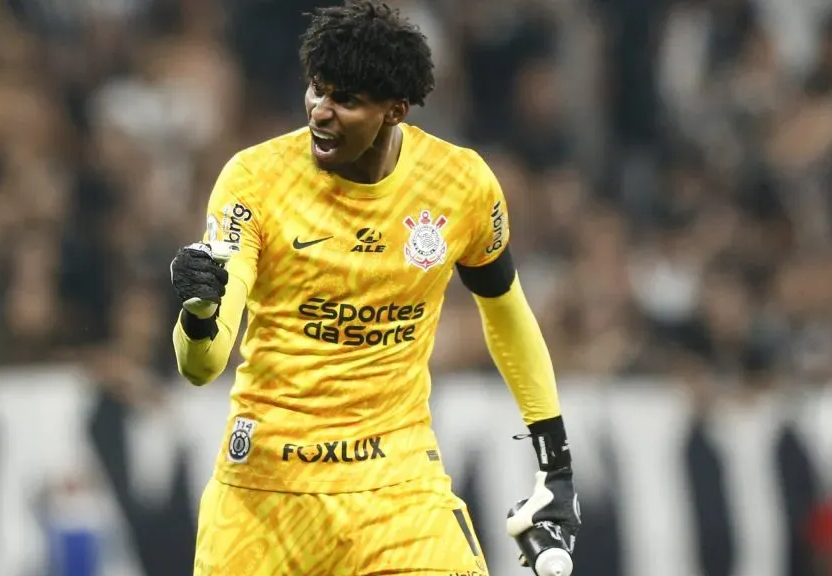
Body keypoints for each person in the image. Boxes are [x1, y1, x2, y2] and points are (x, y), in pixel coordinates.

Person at [169, 2, 580, 574]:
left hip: (398, 489)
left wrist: (554, 466)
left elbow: (507, 313)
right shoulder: (254, 179)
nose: (320, 112)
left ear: (395, 111)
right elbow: (202, 365)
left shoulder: (460, 185)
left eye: (346, 101)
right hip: (264, 496)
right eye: (317, 90)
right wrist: (197, 311)